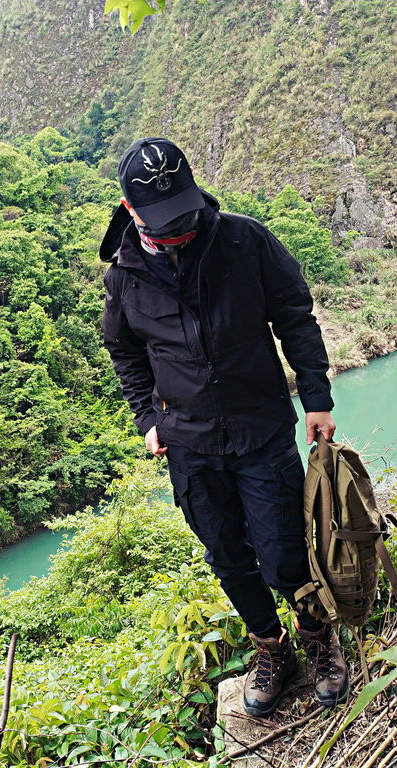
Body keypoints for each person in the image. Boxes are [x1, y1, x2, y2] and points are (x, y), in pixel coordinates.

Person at [100, 137, 349, 717]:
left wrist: (315, 395)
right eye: (163, 220)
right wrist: (146, 418)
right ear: (131, 210)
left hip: (260, 429)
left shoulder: (243, 239)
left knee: (285, 551)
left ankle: (318, 641)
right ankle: (271, 648)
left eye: (184, 210)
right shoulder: (124, 278)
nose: (180, 226)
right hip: (187, 444)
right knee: (228, 557)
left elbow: (293, 312)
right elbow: (126, 353)